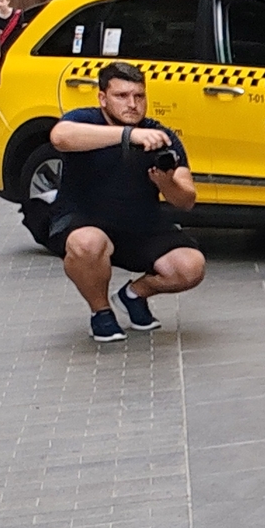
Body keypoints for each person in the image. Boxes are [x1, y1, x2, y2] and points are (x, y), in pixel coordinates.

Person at [47, 60, 203, 344]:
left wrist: (166, 183)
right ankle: (101, 312)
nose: (132, 104)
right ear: (102, 98)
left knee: (190, 267)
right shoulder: (86, 119)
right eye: (122, 96)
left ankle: (133, 295)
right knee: (87, 245)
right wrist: (128, 135)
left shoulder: (160, 136)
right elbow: (60, 137)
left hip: (139, 224)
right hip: (86, 221)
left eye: (139, 96)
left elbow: (186, 201)